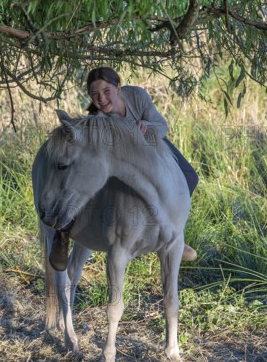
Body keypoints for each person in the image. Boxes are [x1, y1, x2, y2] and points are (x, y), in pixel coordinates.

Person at [49, 67, 199, 271]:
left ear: (118, 88)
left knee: (189, 176)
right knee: (84, 182)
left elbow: (162, 126)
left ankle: (176, 233)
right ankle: (63, 233)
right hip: (119, 160)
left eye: (106, 91)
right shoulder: (97, 118)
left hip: (150, 147)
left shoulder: (137, 95)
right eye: (94, 95)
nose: (101, 98)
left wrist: (147, 127)